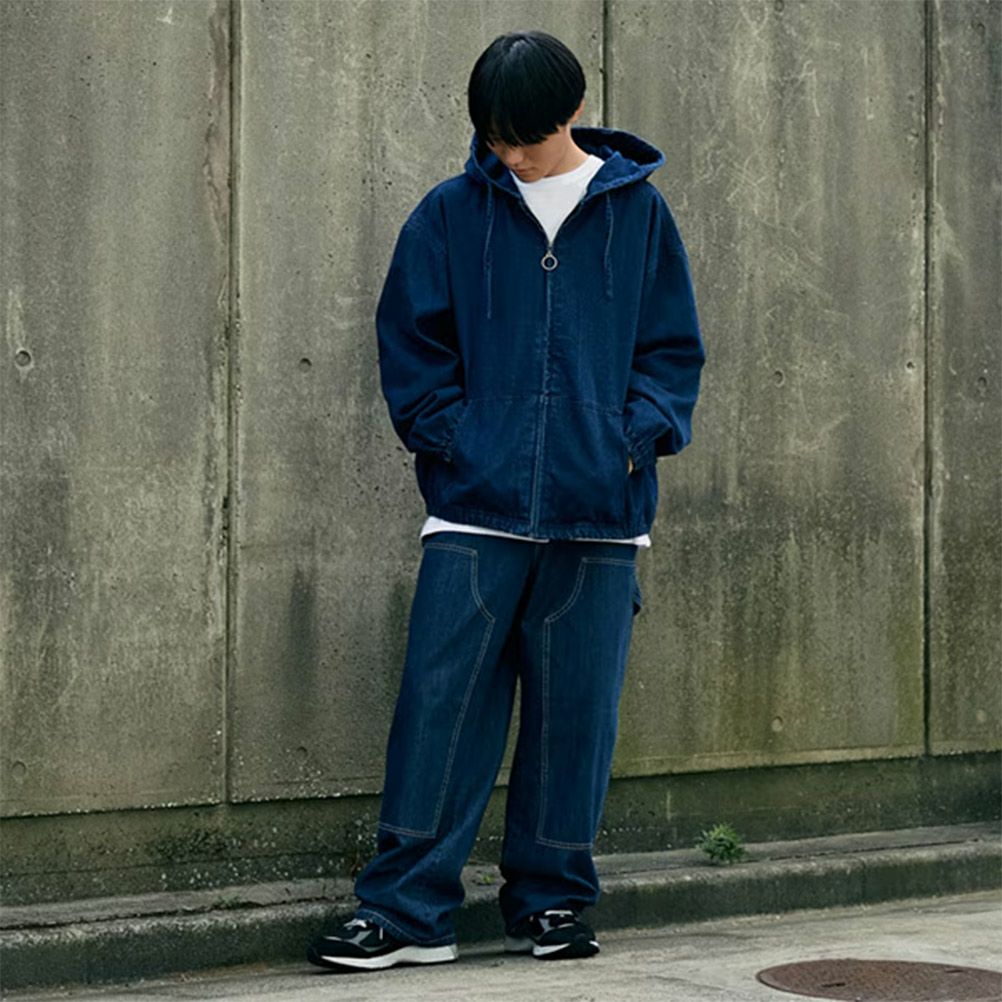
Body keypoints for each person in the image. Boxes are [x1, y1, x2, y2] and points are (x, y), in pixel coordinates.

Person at [307, 28, 705, 973]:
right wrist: (458, 442)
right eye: (495, 139)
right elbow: (411, 346)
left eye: (527, 137)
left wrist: (630, 443)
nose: (511, 156)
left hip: (600, 514)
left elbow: (671, 351)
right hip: (473, 512)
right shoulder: (450, 214)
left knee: (576, 721)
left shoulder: (638, 215)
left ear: (572, 113)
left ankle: (552, 903)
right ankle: (405, 911)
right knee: (438, 712)